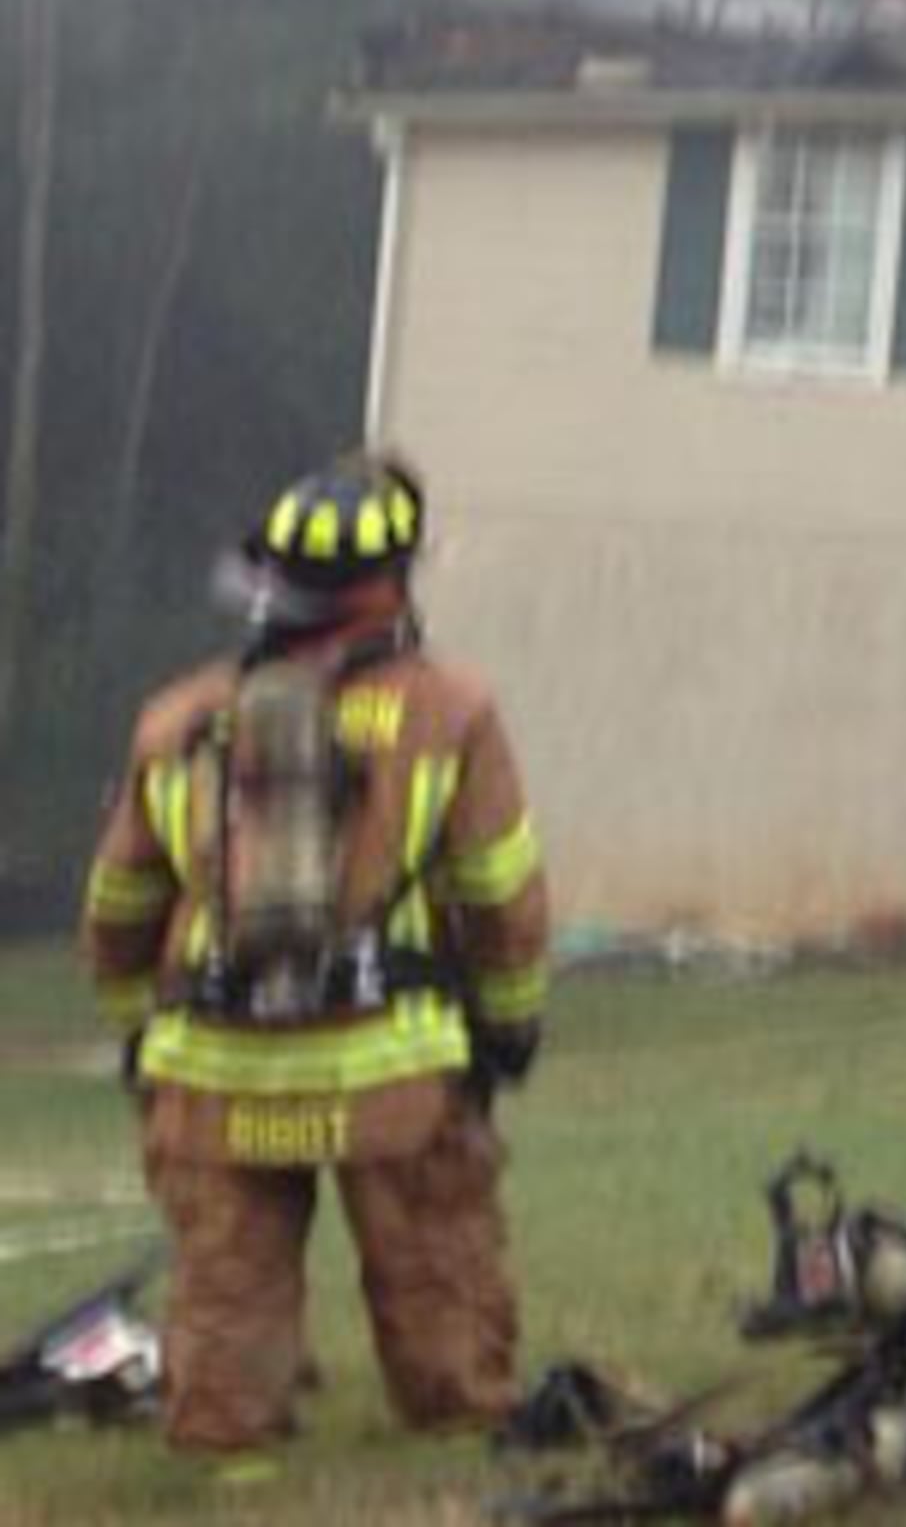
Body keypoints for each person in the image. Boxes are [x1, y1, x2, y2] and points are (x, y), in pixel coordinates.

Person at [77, 453, 551, 1469]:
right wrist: (509, 1024)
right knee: (438, 1263)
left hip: (212, 1064)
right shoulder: (449, 711)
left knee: (225, 1282)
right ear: (387, 584)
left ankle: (233, 1456)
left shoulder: (177, 720)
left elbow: (118, 908)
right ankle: (456, 1429)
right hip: (392, 1067)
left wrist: (137, 1030)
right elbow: (501, 895)